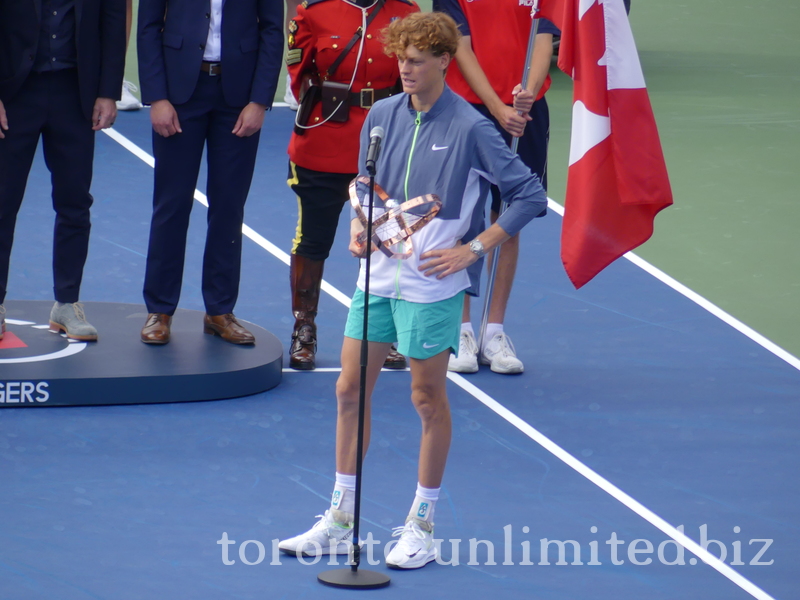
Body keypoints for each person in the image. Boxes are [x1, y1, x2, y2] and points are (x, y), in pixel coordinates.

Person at [278, 12, 547, 569]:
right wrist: (359, 229)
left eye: (417, 61)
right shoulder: (379, 115)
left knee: (426, 400)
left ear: (444, 62)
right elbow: (365, 189)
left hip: (433, 287)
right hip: (374, 281)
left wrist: (473, 250)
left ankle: (421, 526)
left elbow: (528, 197)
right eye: (401, 58)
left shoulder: (472, 128)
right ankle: (339, 517)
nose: (405, 69)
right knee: (349, 390)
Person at [137, 0, 283, 345]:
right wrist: (157, 97)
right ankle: (159, 310)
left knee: (229, 208)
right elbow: (148, 27)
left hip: (238, 98)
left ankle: (219, 311)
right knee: (171, 205)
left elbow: (273, 29)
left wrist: (260, 100)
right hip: (179, 94)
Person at [284, 0, 418, 370]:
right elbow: (298, 69)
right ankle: (304, 328)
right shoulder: (314, 12)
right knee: (313, 239)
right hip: (325, 138)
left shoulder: (405, 13)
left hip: (385, 143)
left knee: (383, 240)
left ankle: (381, 332)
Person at [434, 0, 559, 375]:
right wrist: (496, 106)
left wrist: (527, 96)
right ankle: (462, 330)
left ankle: (494, 331)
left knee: (509, 216)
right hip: (467, 110)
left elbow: (543, 37)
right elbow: (460, 46)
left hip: (525, 112)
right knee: (461, 218)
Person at [0, 0, 126, 341]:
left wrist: (108, 91)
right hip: (14, 94)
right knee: (2, 203)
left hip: (75, 95)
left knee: (74, 203)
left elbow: (113, 21)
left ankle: (67, 304)